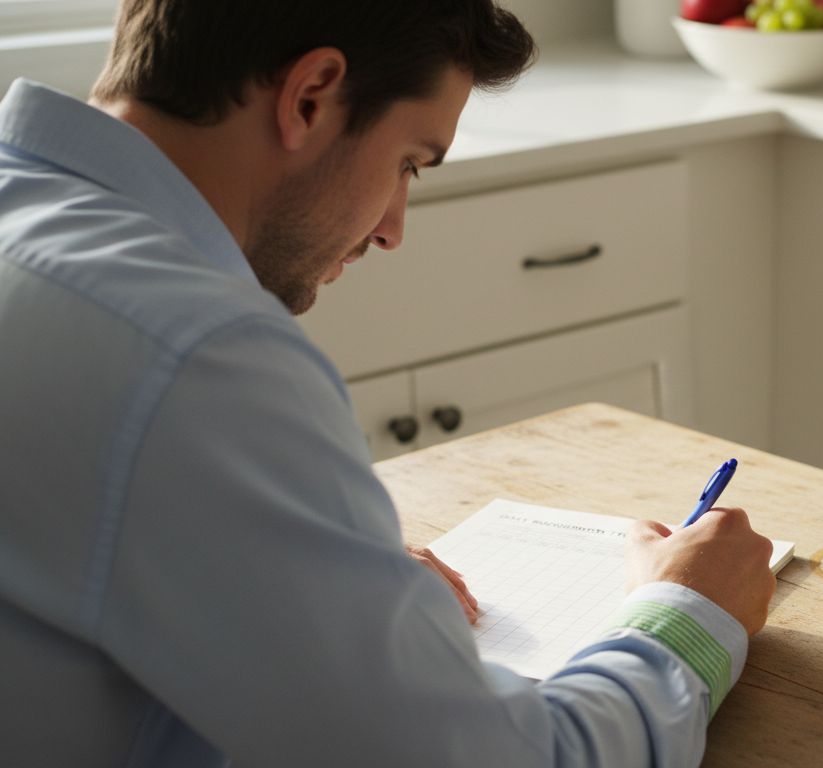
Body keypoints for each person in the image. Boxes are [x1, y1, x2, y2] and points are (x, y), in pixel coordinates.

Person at [0, 1, 777, 765]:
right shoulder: (197, 355)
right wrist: (687, 616)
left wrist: (317, 559)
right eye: (408, 162)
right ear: (311, 97)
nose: (392, 228)